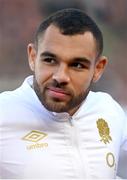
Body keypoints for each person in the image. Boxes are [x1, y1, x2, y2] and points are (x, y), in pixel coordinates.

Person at [0, 8, 126, 179]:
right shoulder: (4, 114)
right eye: (50, 60)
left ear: (98, 68)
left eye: (77, 65)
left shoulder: (109, 110)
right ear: (32, 57)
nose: (60, 77)